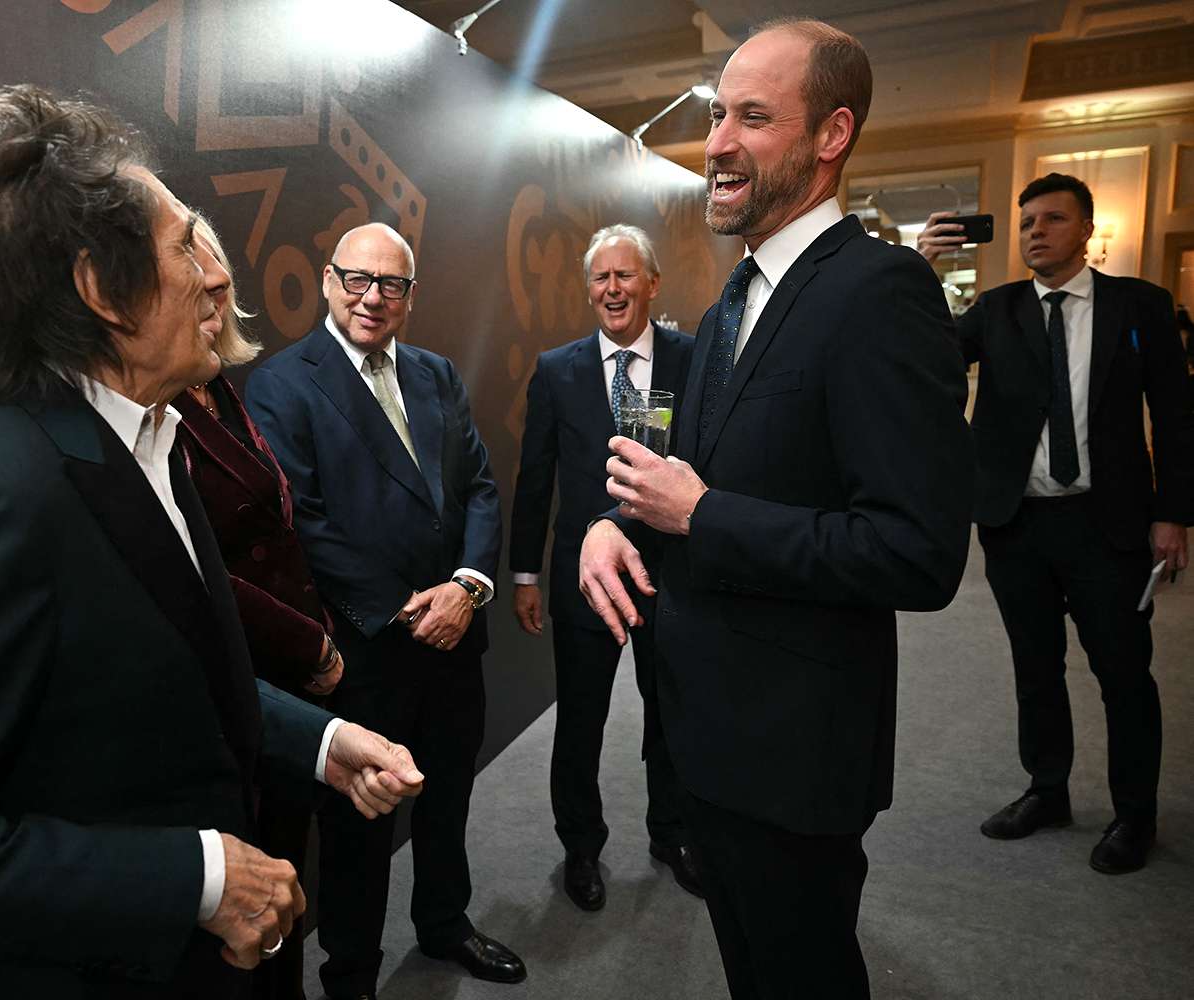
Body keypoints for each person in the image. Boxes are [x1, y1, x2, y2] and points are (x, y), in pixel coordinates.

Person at [0, 85, 424, 1000]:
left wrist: (322, 740)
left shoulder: (150, 438)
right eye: (185, 247)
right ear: (102, 287)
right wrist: (200, 879)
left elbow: (178, 674)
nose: (218, 277)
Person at [578, 19, 972, 999]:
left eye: (753, 117)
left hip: (796, 755)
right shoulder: (724, 311)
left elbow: (919, 554)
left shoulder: (884, 292)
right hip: (703, 739)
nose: (716, 142)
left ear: (831, 134)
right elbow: (676, 471)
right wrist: (609, 524)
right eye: (717, 115)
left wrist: (702, 516)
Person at [245, 223, 524, 999]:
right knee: (358, 830)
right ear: (330, 282)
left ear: (410, 295)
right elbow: (302, 518)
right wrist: (404, 608)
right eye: (357, 279)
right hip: (367, 651)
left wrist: (468, 586)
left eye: (391, 284)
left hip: (456, 636)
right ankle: (353, 975)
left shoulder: (436, 374)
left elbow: (477, 488)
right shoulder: (283, 382)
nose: (373, 297)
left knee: (448, 798)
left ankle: (444, 922)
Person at [918, 173, 1194, 873]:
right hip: (1017, 526)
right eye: (1027, 222)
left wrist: (1174, 515)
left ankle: (1136, 815)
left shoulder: (1141, 306)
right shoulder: (997, 309)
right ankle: (1047, 790)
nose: (1035, 231)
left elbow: (1177, 415)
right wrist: (920, 271)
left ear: (1086, 231)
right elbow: (924, 359)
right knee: (1034, 668)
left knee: (1124, 672)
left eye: (1051, 219)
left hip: (1110, 525)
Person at [509, 224, 698, 911]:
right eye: (600, 278)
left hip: (673, 575)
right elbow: (535, 479)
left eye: (625, 276)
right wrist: (524, 575)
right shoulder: (557, 369)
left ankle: (671, 834)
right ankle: (580, 848)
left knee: (671, 712)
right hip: (584, 580)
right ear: (588, 290)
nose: (612, 289)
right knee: (581, 720)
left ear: (652, 283)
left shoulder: (692, 357)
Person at [177, 213, 342, 999]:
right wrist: (312, 646)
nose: (214, 287)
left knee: (281, 897)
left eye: (220, 275)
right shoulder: (142, 411)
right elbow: (192, 568)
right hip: (227, 694)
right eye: (190, 268)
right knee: (238, 926)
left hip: (277, 691)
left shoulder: (218, 386)